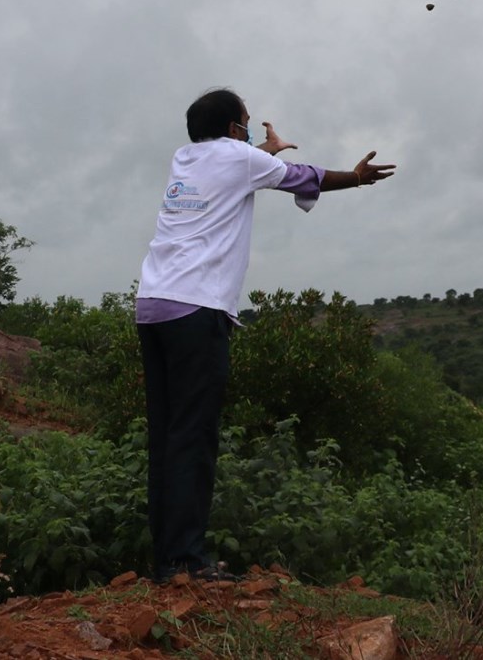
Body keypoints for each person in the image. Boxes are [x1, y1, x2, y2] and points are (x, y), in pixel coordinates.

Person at [135, 87, 395, 582]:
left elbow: (238, 163)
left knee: (168, 437)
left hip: (153, 306)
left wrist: (261, 152)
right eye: (247, 123)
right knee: (195, 436)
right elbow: (307, 176)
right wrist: (357, 178)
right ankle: (187, 560)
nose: (251, 130)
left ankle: (167, 560)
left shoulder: (185, 158)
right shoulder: (239, 157)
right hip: (197, 307)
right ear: (235, 129)